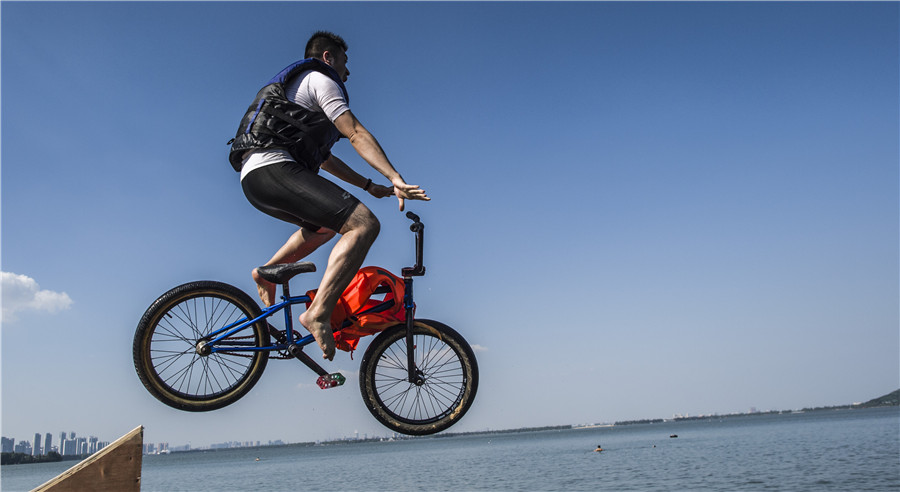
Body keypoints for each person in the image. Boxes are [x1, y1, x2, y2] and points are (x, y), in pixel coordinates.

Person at [228, 31, 429, 361]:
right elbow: (355, 132)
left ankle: (269, 271)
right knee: (363, 225)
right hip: (273, 168)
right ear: (328, 57)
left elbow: (324, 159)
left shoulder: (302, 96)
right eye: (345, 63)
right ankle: (318, 312)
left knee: (325, 227)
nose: (348, 73)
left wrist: (369, 186)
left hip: (256, 177)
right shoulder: (320, 79)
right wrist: (394, 177)